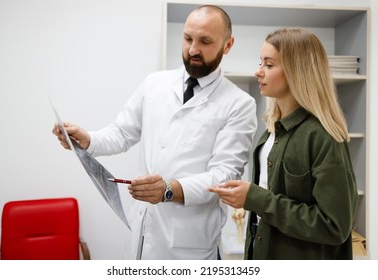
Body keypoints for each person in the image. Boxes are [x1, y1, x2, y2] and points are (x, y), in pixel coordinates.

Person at [52, 5, 257, 260]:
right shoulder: (155, 84)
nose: (193, 49)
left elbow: (224, 176)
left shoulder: (239, 104)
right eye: (187, 38)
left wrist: (169, 189)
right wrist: (88, 139)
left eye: (205, 41)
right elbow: (121, 133)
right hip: (142, 234)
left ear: (228, 45)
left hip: (189, 248)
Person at [208, 27, 358, 260]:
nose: (258, 72)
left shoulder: (323, 136)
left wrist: (255, 198)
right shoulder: (270, 132)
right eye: (261, 63)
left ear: (297, 71)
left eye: (268, 65)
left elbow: (334, 226)